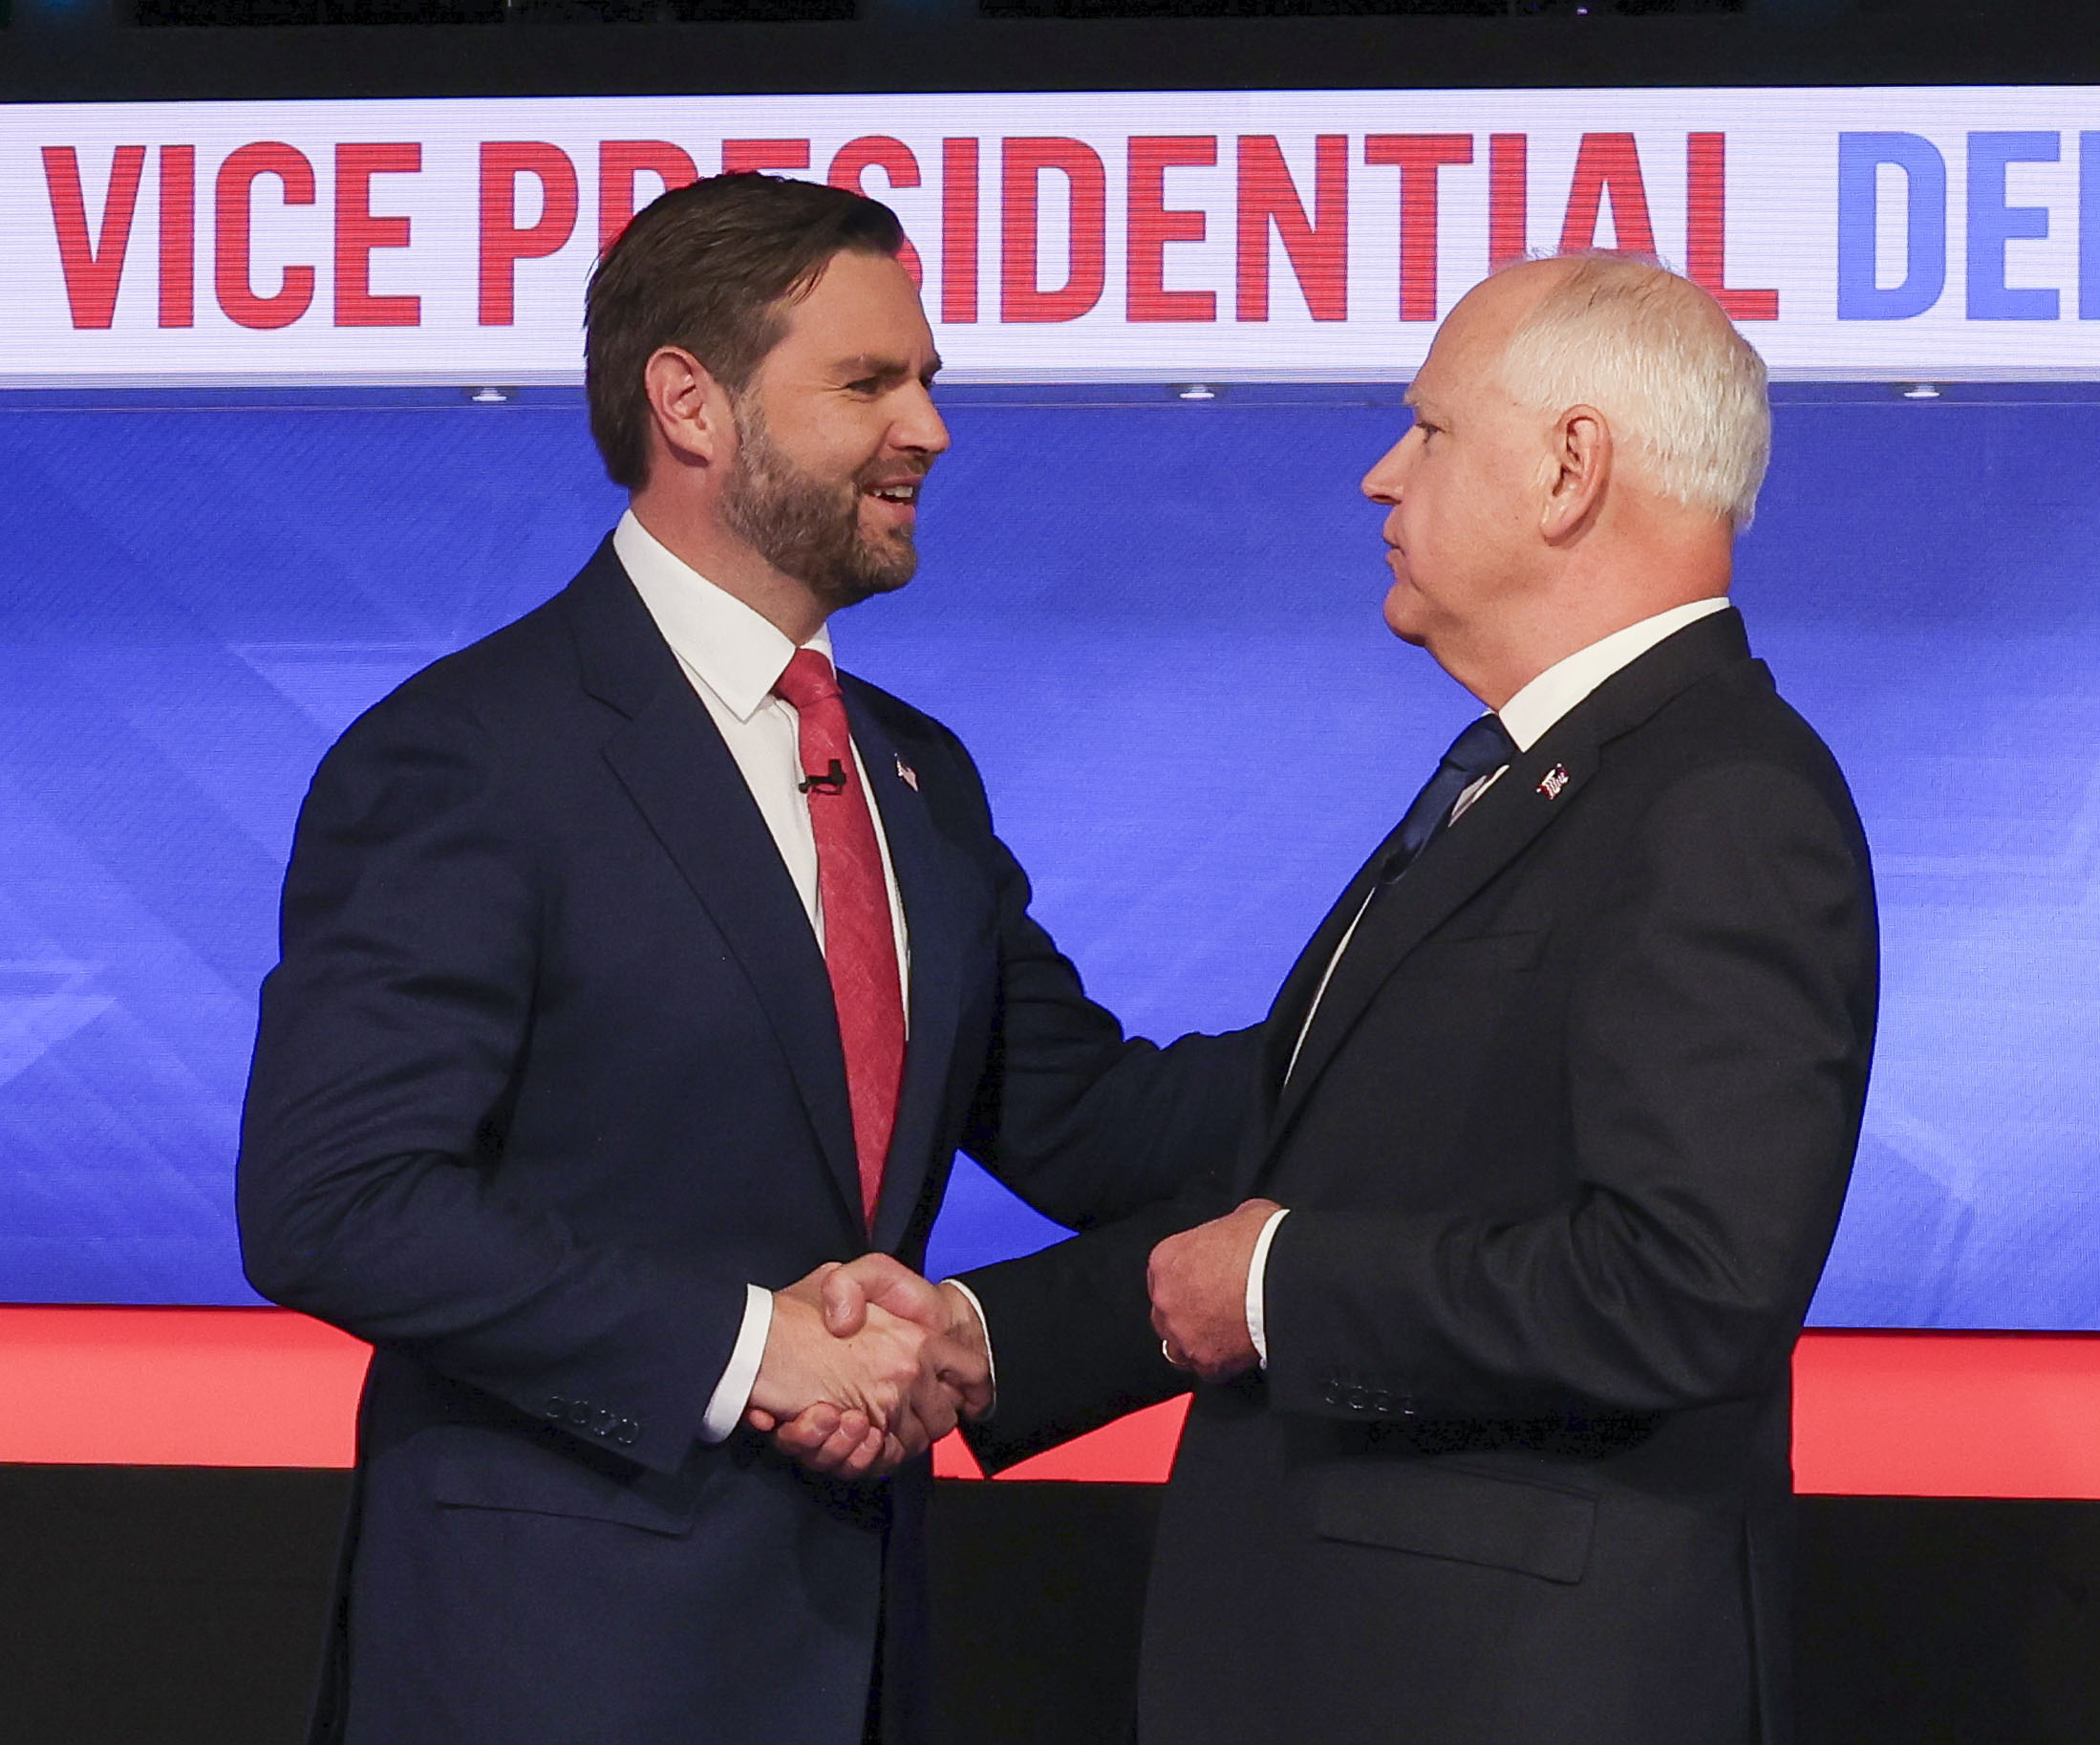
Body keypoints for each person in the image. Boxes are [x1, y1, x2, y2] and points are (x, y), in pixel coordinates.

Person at [235, 173, 1243, 1745]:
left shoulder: (918, 776)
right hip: (547, 1668)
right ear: (690, 404)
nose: (929, 428)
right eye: (868, 382)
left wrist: (1401, 1020)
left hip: (850, 1650)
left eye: (927, 380)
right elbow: (337, 1203)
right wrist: (745, 1345)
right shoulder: (469, 753)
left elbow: (1093, 1121)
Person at [826, 252, 1880, 1744]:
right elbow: (1296, 1151)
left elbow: (1683, 1286)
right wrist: (982, 1337)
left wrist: (1274, 1288)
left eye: (1430, 429)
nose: (1384, 477)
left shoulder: (1718, 799)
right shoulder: (1531, 787)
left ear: (1570, 467)